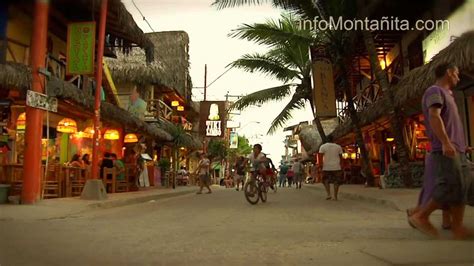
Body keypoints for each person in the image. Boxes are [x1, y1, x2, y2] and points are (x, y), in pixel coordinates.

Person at [408, 63, 472, 239]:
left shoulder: (448, 95)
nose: (458, 77)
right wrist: (445, 142)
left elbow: (449, 124)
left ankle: (457, 227)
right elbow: (434, 116)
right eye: (457, 74)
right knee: (451, 186)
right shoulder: (434, 91)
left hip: (456, 149)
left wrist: (460, 145)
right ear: (449, 73)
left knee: (461, 187)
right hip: (445, 150)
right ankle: (421, 216)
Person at [319, 135, 343, 200]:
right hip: (337, 167)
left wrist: (320, 166)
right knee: (336, 182)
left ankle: (328, 194)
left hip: (326, 167)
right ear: (333, 139)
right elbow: (341, 158)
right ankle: (335, 196)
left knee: (325, 181)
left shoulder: (323, 146)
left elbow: (320, 157)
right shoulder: (338, 147)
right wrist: (341, 166)